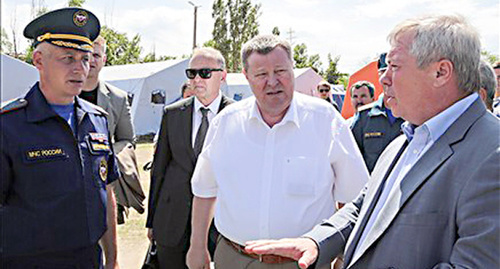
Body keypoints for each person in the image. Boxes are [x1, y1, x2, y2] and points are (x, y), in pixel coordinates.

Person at [243, 14, 500, 269]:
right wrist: (317, 241)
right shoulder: (405, 142)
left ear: (441, 72)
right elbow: (363, 208)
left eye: (395, 66)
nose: (384, 79)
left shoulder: (492, 155)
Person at [186, 34, 369, 269]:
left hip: (304, 263)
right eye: (261, 74)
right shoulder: (226, 124)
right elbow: (204, 190)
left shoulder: (325, 120)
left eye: (281, 71)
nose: (272, 82)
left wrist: (344, 253)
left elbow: (352, 197)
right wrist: (197, 246)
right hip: (234, 258)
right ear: (246, 76)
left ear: (293, 69)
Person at [0, 7, 120, 268]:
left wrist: (112, 260)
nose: (81, 69)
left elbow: (106, 193)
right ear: (39, 60)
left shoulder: (97, 120)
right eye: (68, 58)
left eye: (85, 59)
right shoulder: (8, 125)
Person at [146, 47, 233, 268]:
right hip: (171, 221)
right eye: (191, 73)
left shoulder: (237, 116)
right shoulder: (172, 113)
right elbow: (159, 170)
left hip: (219, 227)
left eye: (205, 73)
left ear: (222, 76)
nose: (196, 79)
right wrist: (152, 221)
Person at [80, 36, 145, 224]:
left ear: (104, 60)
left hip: (104, 186)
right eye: (86, 54)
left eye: (96, 55)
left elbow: (128, 141)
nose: (91, 60)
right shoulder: (64, 94)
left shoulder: (118, 98)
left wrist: (105, 154)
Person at [350, 53, 404, 173]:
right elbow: (351, 159)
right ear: (379, 75)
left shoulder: (413, 115)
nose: (388, 77)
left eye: (394, 70)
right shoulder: (364, 117)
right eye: (384, 71)